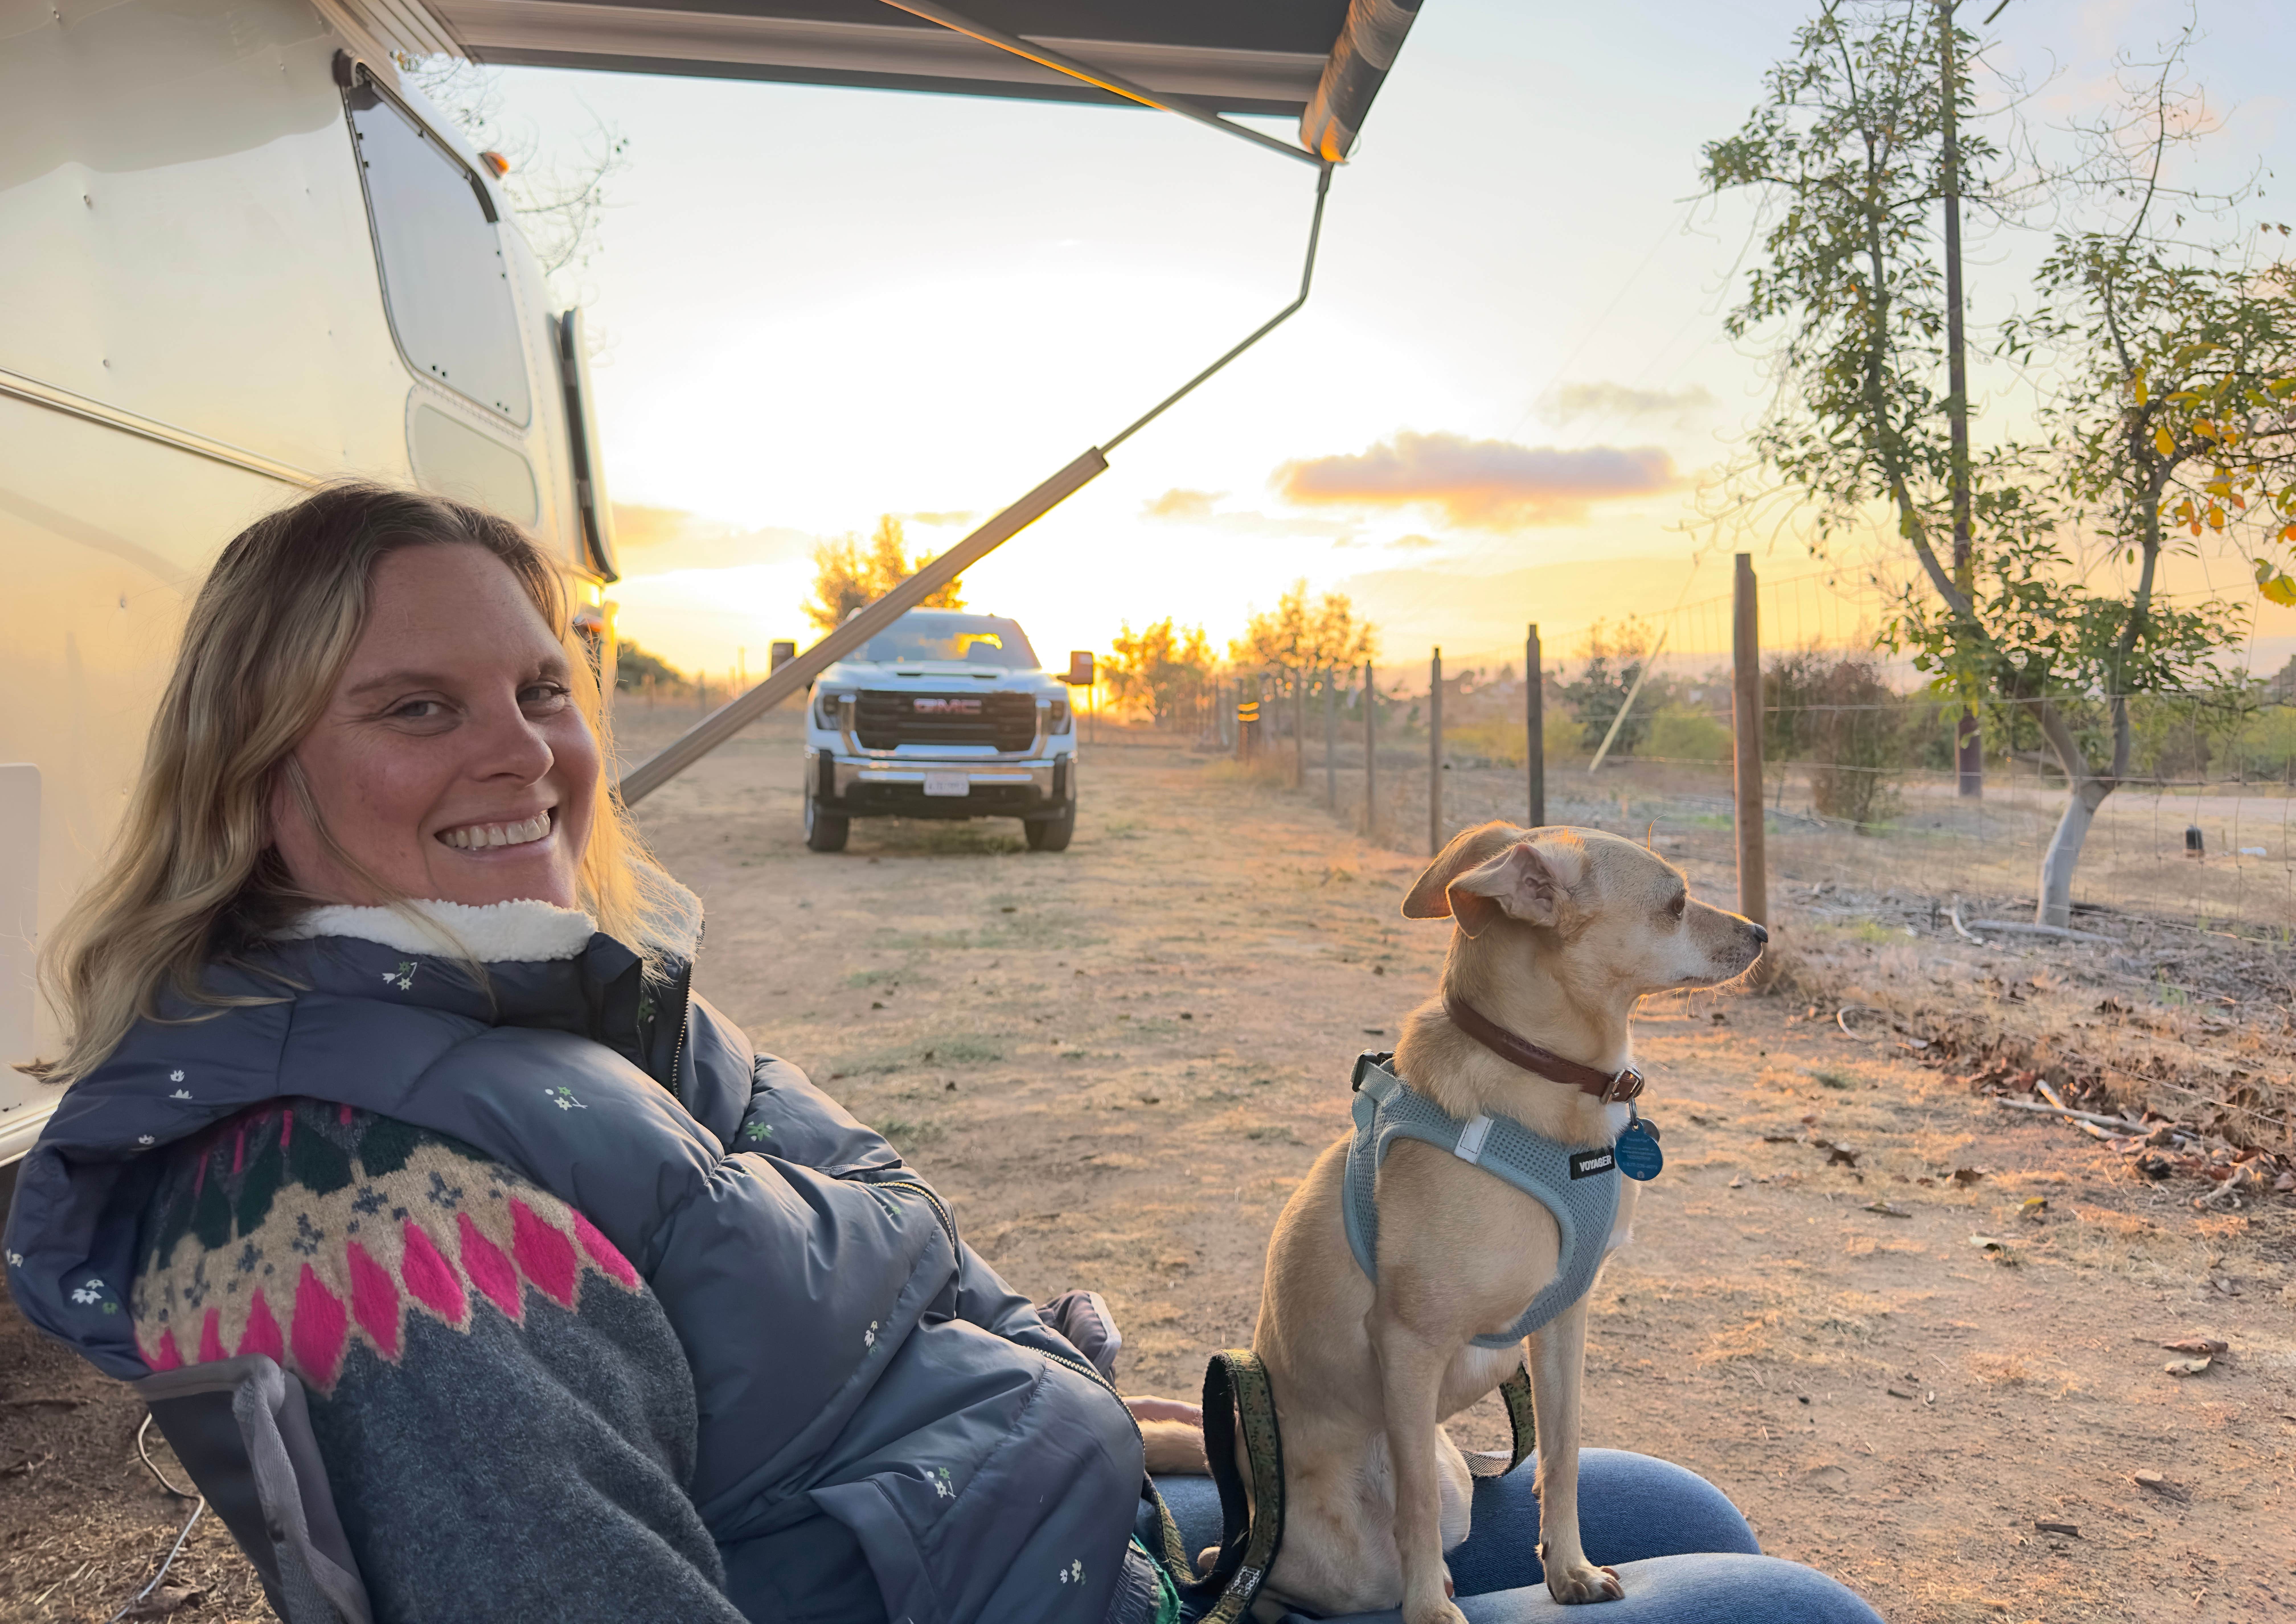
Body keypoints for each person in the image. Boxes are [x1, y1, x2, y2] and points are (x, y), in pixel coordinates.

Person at [5, 484, 1883, 1624]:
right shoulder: (369, 1219)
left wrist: (1125, 1419)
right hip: (1023, 1581)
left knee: (1659, 1517)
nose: (525, 754)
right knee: (1780, 1603)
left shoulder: (567, 1003)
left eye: (541, 690)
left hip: (1027, 1517)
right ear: (255, 775)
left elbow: (888, 1301)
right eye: (420, 709)